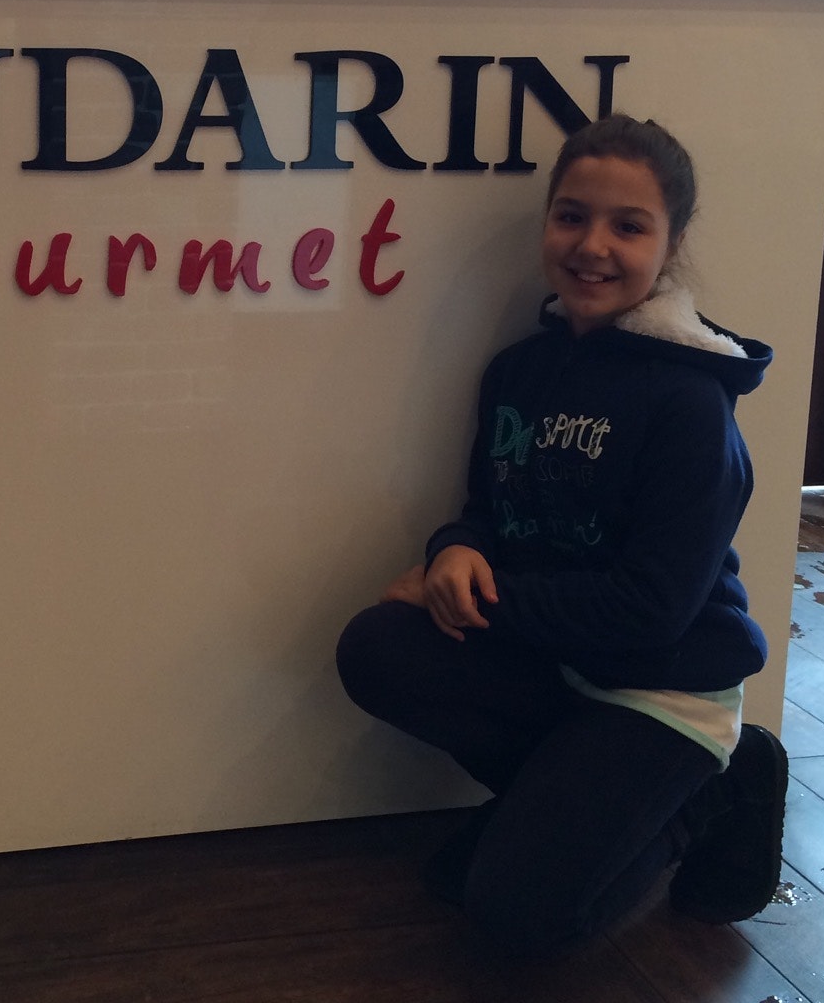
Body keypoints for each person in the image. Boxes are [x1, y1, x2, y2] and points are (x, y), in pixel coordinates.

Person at [335, 115, 788, 957]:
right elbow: (489, 508)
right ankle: (564, 807)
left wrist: (472, 602)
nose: (593, 246)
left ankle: (706, 796)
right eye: (572, 216)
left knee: (515, 917)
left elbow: (651, 610)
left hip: (663, 689)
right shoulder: (518, 371)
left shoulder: (691, 405)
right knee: (378, 647)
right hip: (564, 668)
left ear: (672, 243)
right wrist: (454, 550)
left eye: (629, 226)